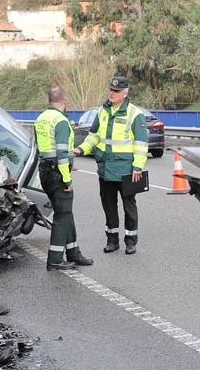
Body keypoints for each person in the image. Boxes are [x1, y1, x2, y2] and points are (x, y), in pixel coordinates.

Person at [77, 76, 149, 255]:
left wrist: (137, 167)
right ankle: (112, 240)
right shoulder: (102, 111)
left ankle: (131, 241)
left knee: (129, 207)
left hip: (127, 170)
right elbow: (94, 136)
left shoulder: (134, 114)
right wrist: (81, 149)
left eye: (116, 91)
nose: (112, 93)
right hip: (105, 168)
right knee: (109, 205)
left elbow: (141, 144)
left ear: (126, 93)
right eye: (111, 90)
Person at [33, 87, 93, 271]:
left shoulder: (41, 119)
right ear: (64, 100)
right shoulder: (60, 121)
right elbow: (60, 153)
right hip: (57, 173)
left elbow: (39, 148)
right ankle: (55, 259)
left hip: (45, 170)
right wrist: (67, 179)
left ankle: (74, 253)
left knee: (65, 213)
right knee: (62, 215)